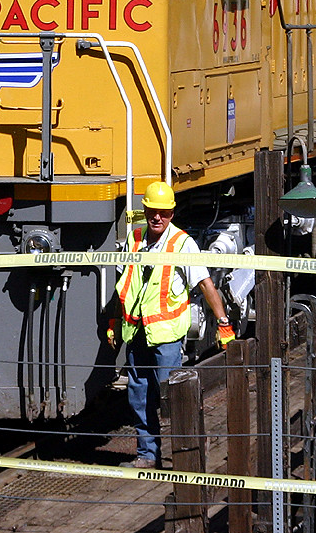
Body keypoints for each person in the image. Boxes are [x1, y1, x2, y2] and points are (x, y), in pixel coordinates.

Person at [106, 181, 234, 469]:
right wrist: (115, 319)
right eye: (152, 211)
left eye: (163, 212)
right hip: (137, 330)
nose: (157, 217)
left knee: (174, 397)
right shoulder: (135, 237)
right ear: (145, 209)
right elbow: (125, 283)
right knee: (139, 395)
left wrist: (223, 322)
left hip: (166, 334)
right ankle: (148, 455)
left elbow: (205, 283)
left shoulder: (183, 243)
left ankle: (185, 457)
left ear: (172, 213)